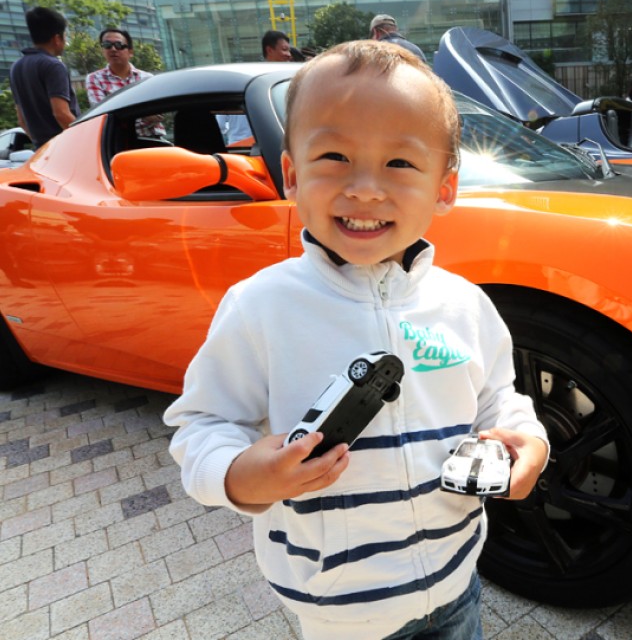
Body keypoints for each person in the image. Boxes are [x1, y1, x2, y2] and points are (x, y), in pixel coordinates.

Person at [164, 39, 549, 640]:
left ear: (445, 188)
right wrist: (240, 476)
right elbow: (203, 424)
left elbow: (500, 399)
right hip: (341, 612)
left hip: (457, 583)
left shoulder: (464, 304)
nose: (366, 188)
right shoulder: (261, 306)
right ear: (292, 174)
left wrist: (528, 442)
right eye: (335, 157)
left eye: (400, 163)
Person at [8, 7, 79, 148]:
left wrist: (41, 145)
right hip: (65, 147)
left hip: (42, 151)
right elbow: (61, 113)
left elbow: (21, 120)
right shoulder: (53, 65)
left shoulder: (16, 67)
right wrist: (84, 139)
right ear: (57, 38)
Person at [217, 30, 293, 144]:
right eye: (284, 49)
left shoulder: (237, 83)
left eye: (289, 50)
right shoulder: (275, 84)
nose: (289, 55)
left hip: (238, 147)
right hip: (267, 147)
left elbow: (221, 125)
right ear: (269, 50)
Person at [85, 28, 164, 137]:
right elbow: (102, 115)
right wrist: (142, 112)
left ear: (130, 52)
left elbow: (158, 115)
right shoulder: (94, 79)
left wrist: (119, 110)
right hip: (117, 141)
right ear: (102, 50)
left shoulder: (147, 78)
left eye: (119, 45)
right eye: (107, 45)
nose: (113, 49)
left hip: (151, 139)